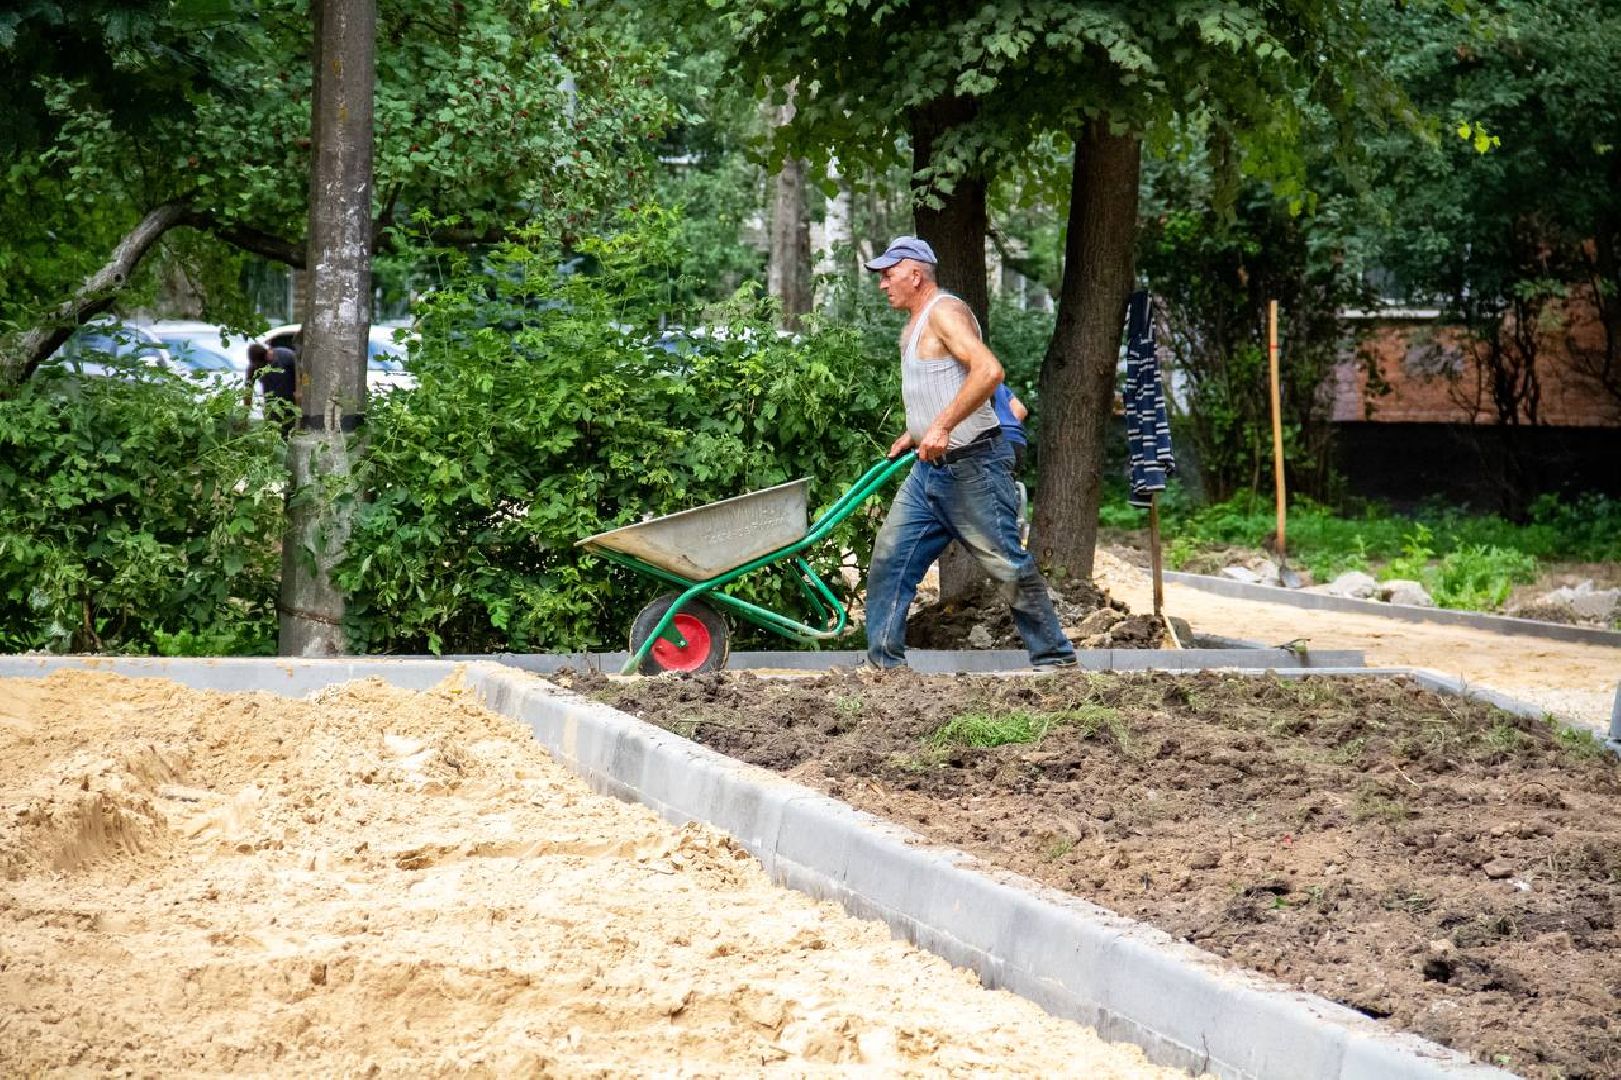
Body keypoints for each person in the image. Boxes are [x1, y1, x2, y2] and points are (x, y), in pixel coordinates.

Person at [862, 235, 1075, 670]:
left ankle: (1056, 659)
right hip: (930, 471)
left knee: (1006, 565)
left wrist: (940, 426)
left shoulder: (944, 312)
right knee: (890, 557)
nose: (883, 284)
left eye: (889, 275)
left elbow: (989, 371)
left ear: (915, 274)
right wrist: (917, 430)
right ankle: (884, 666)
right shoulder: (916, 322)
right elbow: (942, 383)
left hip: (973, 466)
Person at [245, 342, 298, 433]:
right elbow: (248, 390)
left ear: (267, 354)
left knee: (291, 431)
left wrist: (299, 393)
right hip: (272, 408)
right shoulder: (256, 365)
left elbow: (300, 377)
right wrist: (245, 415)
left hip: (291, 404)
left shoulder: (288, 357)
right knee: (274, 434)